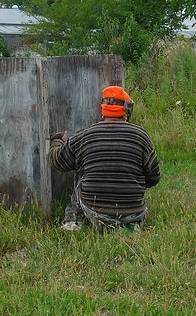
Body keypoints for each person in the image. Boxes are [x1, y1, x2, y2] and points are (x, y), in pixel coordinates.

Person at [49, 85, 161, 232]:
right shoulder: (141, 136)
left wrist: (57, 141)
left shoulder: (85, 136)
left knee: (81, 169)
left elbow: (57, 161)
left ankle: (74, 222)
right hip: (134, 213)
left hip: (95, 212)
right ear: (127, 110)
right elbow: (154, 177)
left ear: (103, 109)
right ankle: (129, 226)